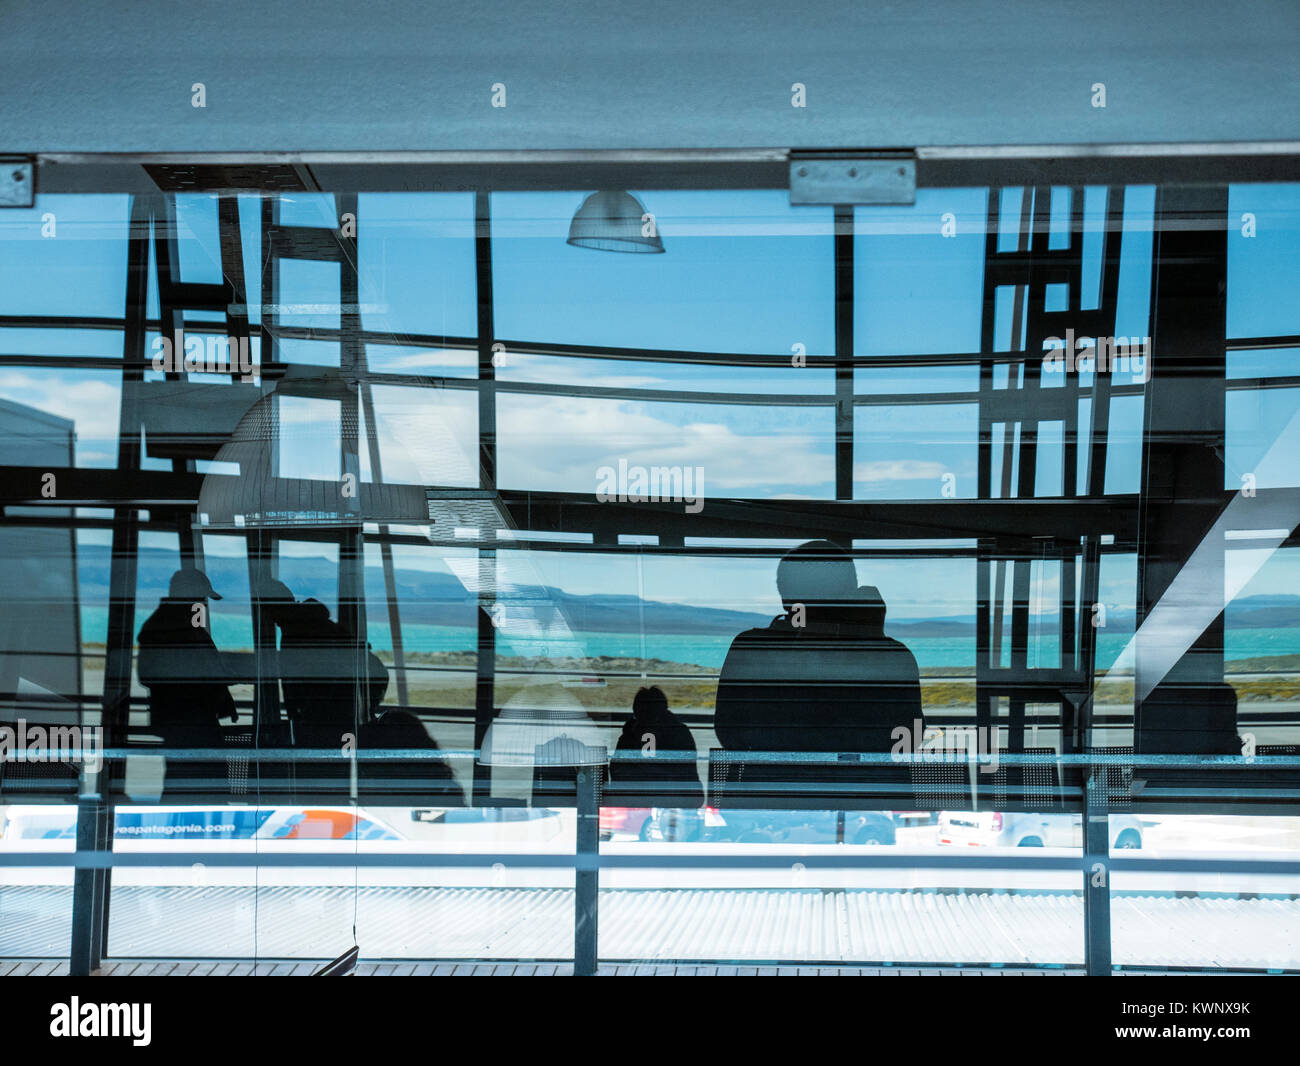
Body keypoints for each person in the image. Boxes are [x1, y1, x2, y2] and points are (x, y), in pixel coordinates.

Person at [713, 540, 923, 755]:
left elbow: (733, 735)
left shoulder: (755, 649)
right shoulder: (893, 657)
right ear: (850, 594)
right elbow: (906, 740)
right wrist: (869, 643)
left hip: (774, 782)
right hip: (862, 784)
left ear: (786, 599)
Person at [136, 567, 238, 751]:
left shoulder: (182, 626)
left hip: (193, 720)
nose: (202, 604)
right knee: (197, 774)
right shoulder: (167, 628)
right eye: (200, 598)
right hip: (187, 722)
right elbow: (151, 675)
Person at [607, 686, 702, 808]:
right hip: (675, 798)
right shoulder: (679, 732)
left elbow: (617, 771)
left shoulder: (630, 734)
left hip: (639, 799)